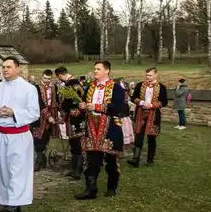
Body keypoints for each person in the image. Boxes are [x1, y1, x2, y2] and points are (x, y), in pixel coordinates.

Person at [0, 57, 41, 212]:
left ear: (17, 68)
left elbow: (34, 113)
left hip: (19, 135)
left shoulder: (29, 88)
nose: (5, 70)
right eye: (3, 67)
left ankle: (12, 205)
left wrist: (13, 112)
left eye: (8, 67)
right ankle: (7, 200)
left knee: (17, 169)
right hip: (1, 135)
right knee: (2, 168)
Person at [75, 60, 129, 200]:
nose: (95, 71)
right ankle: (90, 189)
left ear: (107, 71)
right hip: (92, 126)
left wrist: (98, 107)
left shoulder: (116, 88)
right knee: (92, 159)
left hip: (110, 127)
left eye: (98, 69)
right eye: (95, 69)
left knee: (111, 159)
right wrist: (83, 106)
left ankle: (112, 187)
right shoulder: (90, 87)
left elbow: (120, 108)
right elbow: (85, 103)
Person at [128, 68, 168, 168]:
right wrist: (141, 102)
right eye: (147, 75)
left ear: (155, 75)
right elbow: (133, 98)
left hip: (154, 115)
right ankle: (135, 159)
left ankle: (150, 160)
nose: (148, 77)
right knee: (139, 136)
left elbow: (164, 102)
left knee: (151, 137)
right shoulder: (139, 85)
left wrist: (152, 105)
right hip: (140, 114)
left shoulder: (162, 87)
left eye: (150, 75)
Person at [55, 67, 86, 180]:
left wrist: (62, 114)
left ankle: (77, 170)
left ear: (59, 75)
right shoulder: (77, 82)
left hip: (73, 117)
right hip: (81, 116)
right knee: (78, 142)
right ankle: (76, 167)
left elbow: (66, 103)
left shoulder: (69, 84)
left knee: (75, 142)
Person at [32, 70, 59, 170]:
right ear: (42, 77)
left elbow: (56, 101)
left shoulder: (54, 87)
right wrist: (48, 116)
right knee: (38, 137)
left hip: (52, 114)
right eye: (45, 78)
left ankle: (42, 160)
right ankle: (38, 161)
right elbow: (39, 102)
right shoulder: (36, 87)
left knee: (47, 136)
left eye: (49, 79)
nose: (47, 80)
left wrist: (57, 114)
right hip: (39, 115)